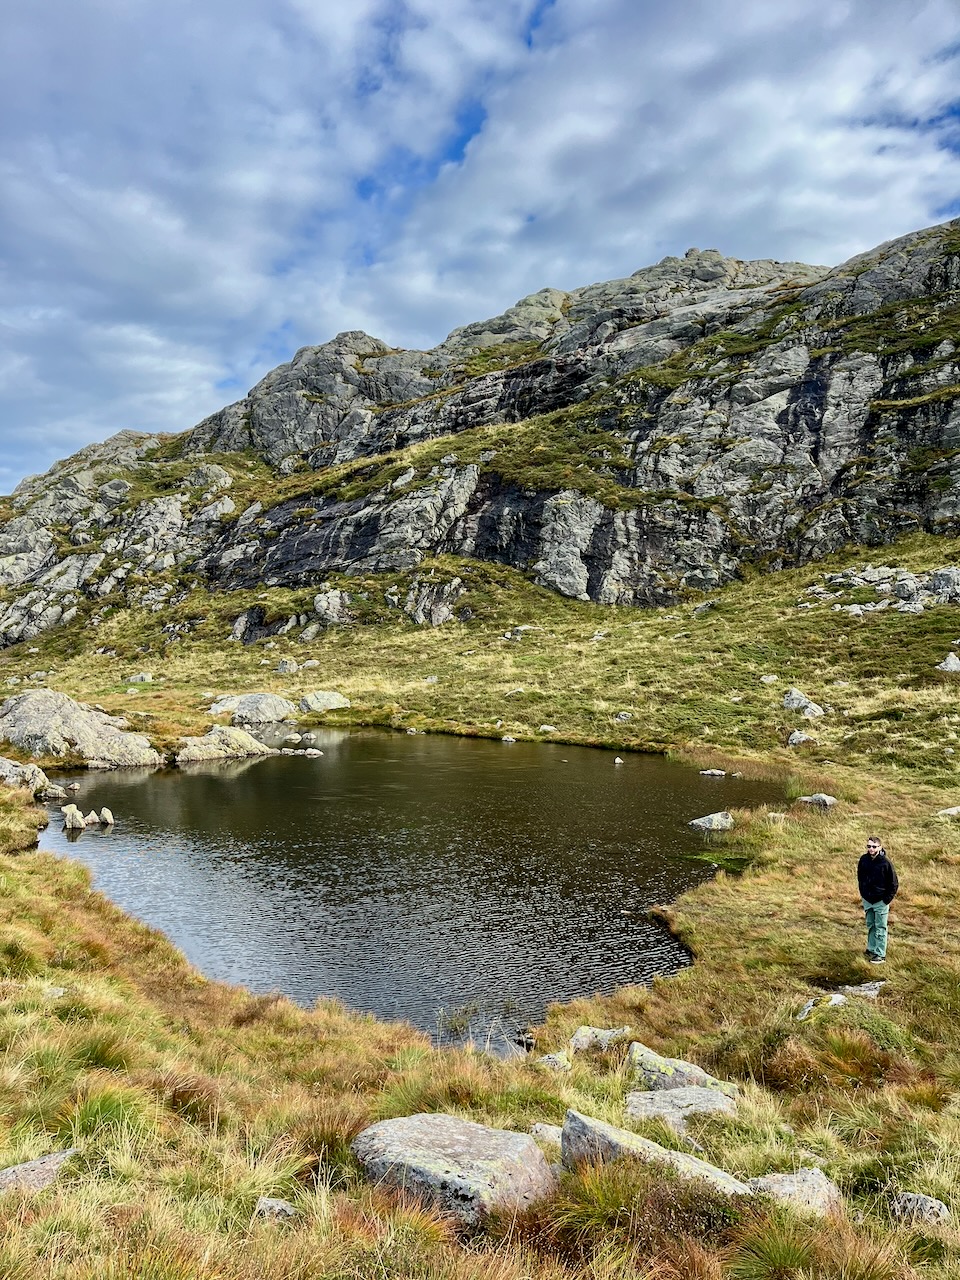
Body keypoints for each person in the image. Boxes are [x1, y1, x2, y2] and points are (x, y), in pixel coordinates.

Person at [857, 835, 898, 963]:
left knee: (880, 927)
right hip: (868, 900)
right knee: (871, 925)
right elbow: (860, 878)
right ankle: (871, 949)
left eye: (874, 847)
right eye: (869, 846)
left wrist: (886, 900)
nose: (871, 849)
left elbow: (894, 884)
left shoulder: (886, 863)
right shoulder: (863, 860)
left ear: (880, 847)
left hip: (881, 901)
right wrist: (863, 894)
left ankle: (880, 954)